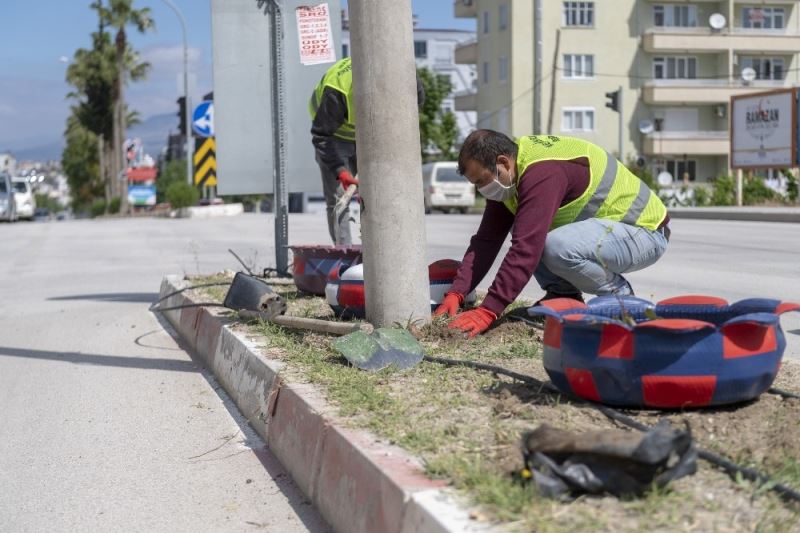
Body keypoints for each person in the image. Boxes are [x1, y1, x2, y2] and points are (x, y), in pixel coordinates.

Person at [434, 129, 670, 338]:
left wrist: (488, 310)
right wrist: (458, 291)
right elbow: (487, 240)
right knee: (529, 226)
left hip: (644, 232)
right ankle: (562, 296)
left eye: (481, 181)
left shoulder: (541, 172)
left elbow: (526, 248)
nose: (481, 190)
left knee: (550, 243)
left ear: (503, 162)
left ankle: (621, 299)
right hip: (614, 232)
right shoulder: (510, 177)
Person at [309, 56, 425, 244]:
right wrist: (340, 171)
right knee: (339, 199)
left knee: (377, 193)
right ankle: (344, 251)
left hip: (371, 136)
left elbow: (414, 108)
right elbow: (321, 136)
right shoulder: (338, 90)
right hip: (334, 137)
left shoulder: (406, 78)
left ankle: (377, 248)